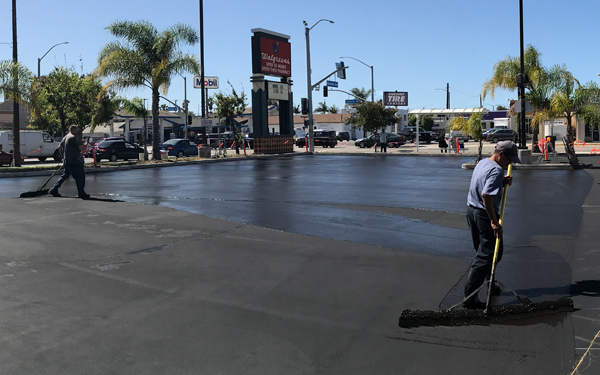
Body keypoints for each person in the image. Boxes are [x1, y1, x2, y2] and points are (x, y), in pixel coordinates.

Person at [463, 140, 520, 309]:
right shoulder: (496, 170)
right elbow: (486, 196)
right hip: (484, 214)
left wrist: (501, 181)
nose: (510, 163)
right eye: (509, 159)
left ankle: (490, 282)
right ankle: (470, 296)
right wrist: (494, 222)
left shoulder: (483, 163)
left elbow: (483, 182)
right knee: (489, 254)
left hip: (471, 211)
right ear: (501, 154)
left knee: (483, 250)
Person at [48, 126, 91, 199]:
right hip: (75, 161)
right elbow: (80, 148)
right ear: (73, 129)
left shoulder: (65, 137)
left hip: (67, 161)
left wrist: (63, 158)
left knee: (65, 175)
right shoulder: (73, 138)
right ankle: (81, 193)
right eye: (76, 130)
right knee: (80, 176)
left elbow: (59, 147)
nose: (77, 131)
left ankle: (54, 189)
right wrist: (86, 143)